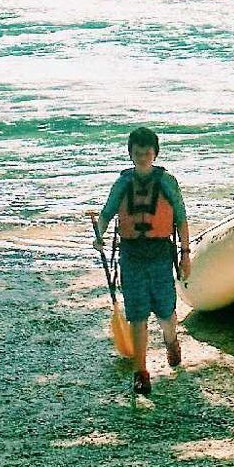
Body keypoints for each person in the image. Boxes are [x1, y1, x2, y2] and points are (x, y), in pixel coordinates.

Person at [90, 126, 191, 398]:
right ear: (131, 154)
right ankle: (141, 373)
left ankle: (171, 341)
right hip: (131, 254)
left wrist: (185, 254)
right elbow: (106, 214)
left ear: (155, 153)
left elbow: (181, 218)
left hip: (160, 253)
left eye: (147, 153)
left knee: (165, 312)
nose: (143, 158)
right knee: (137, 314)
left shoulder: (167, 182)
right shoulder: (123, 183)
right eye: (138, 153)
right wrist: (99, 235)